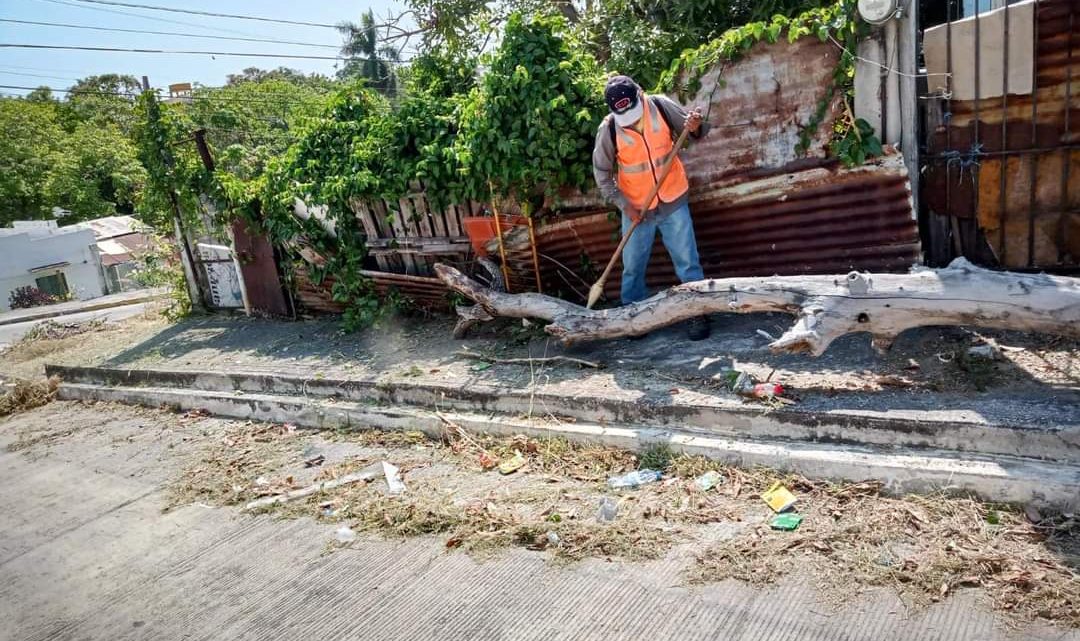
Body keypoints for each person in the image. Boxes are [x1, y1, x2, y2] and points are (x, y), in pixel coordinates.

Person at [592, 75, 711, 340]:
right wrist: (625, 205)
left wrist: (693, 125)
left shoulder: (660, 106)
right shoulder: (609, 128)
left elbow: (694, 131)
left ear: (640, 93)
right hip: (636, 207)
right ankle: (634, 316)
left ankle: (697, 311)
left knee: (687, 263)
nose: (630, 119)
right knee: (633, 266)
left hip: (672, 198)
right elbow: (601, 173)